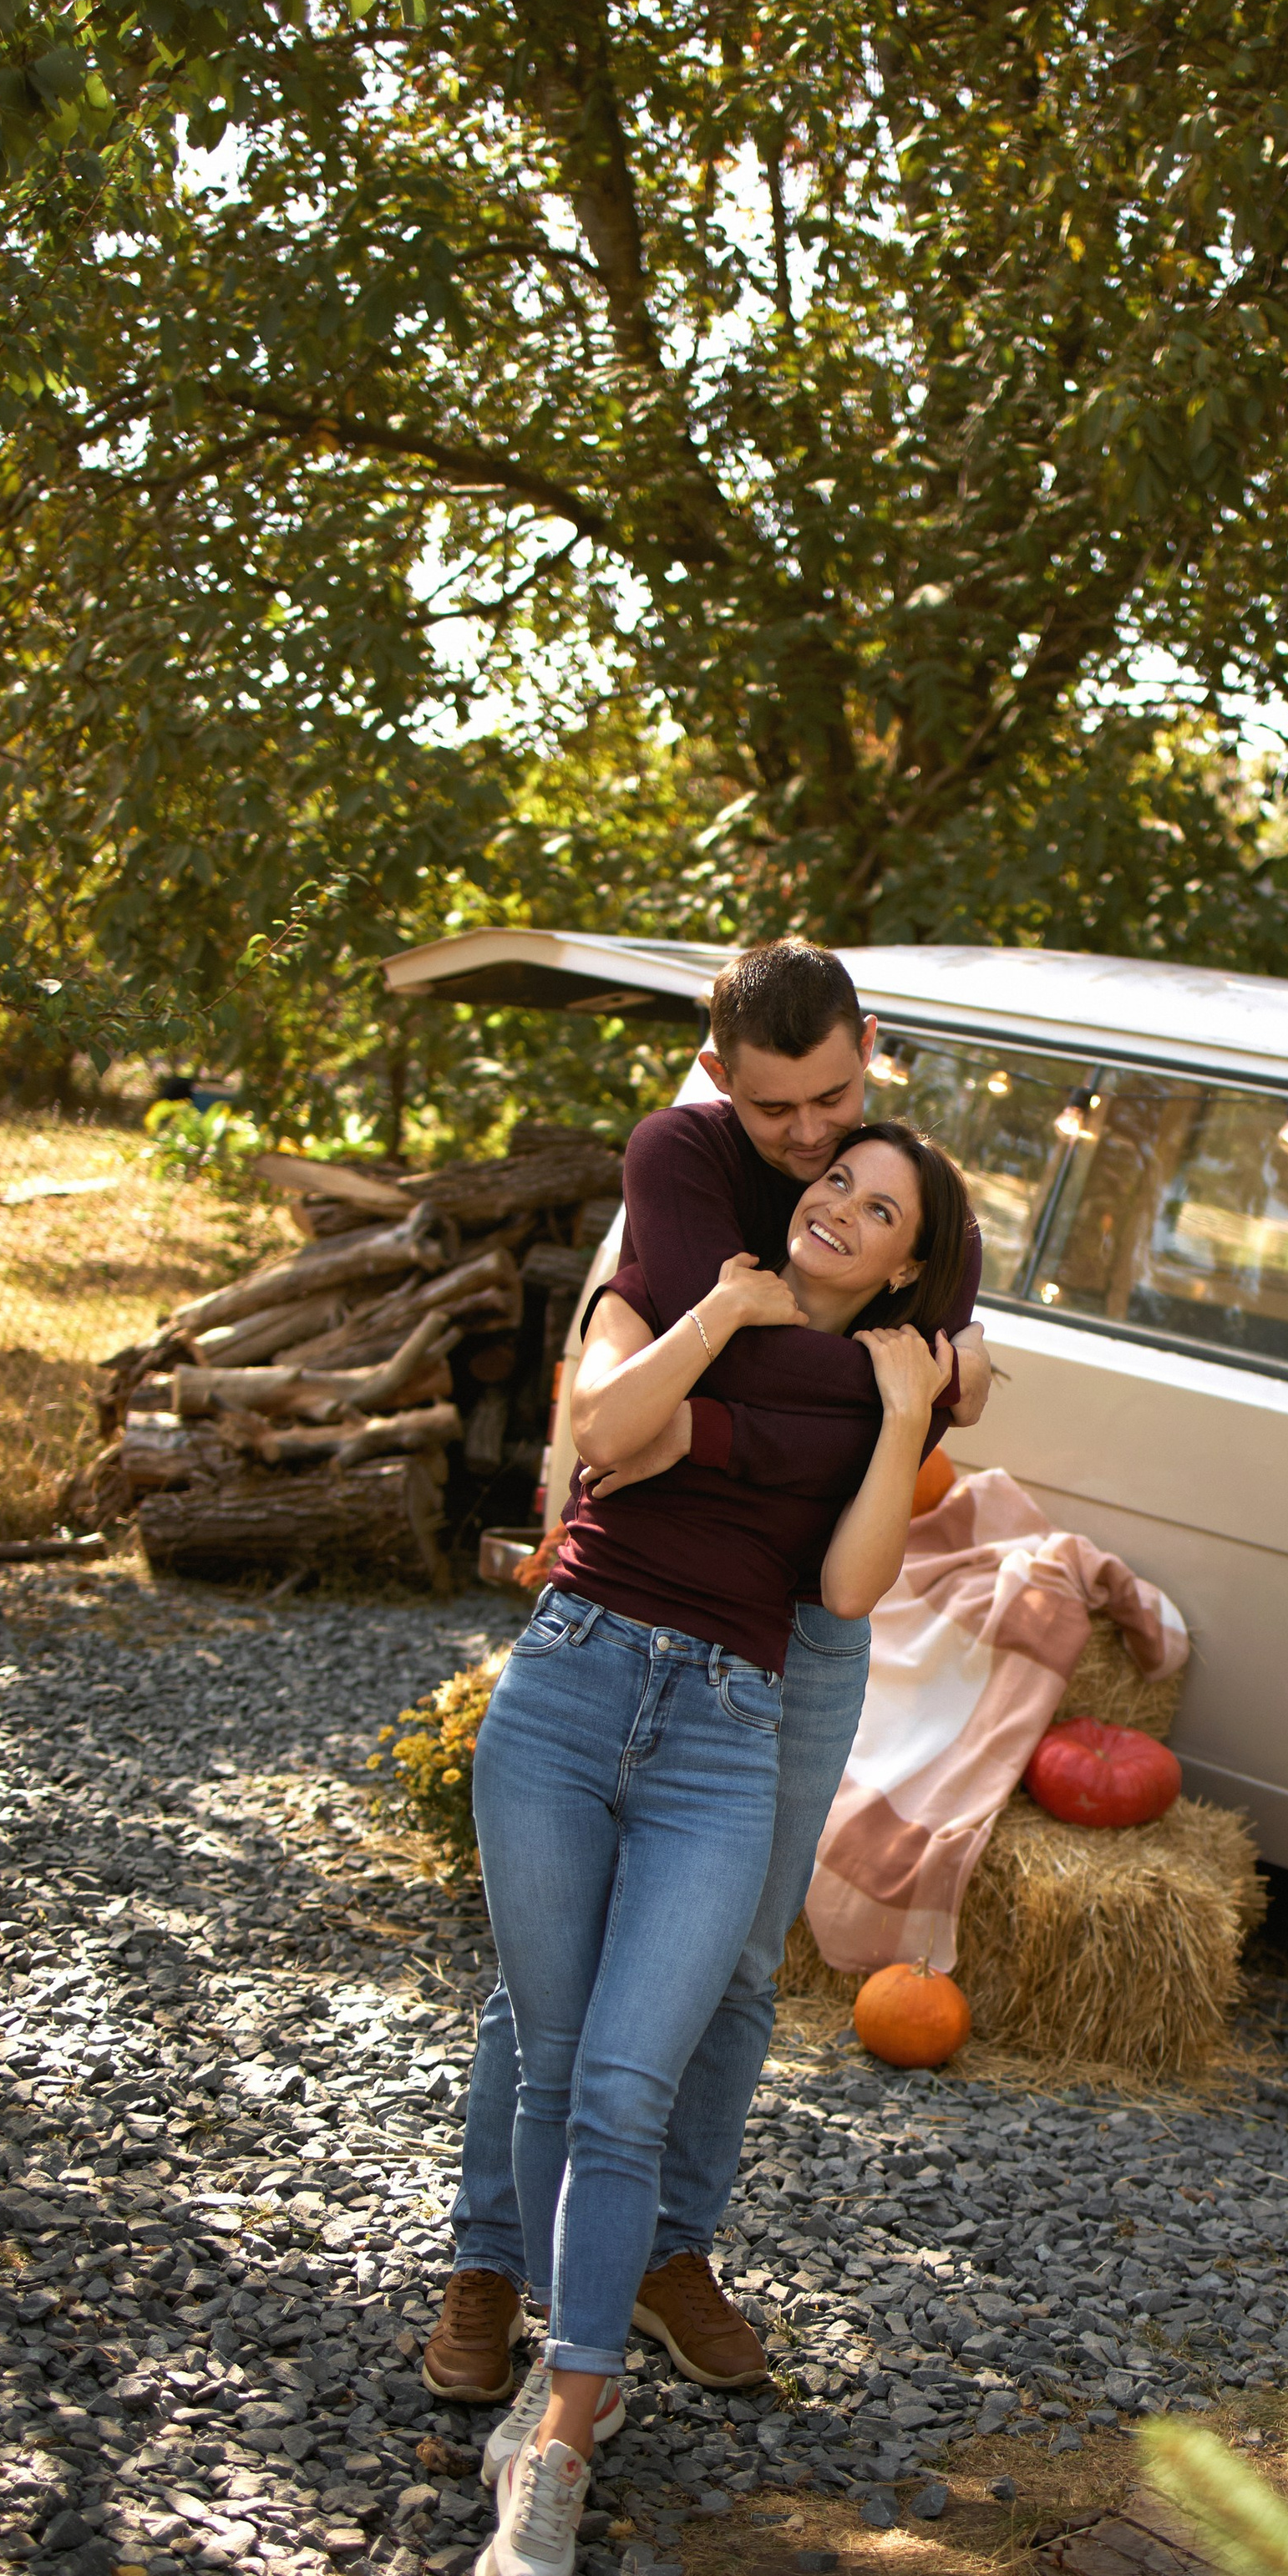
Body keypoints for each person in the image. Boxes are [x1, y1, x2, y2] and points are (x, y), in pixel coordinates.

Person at [423, 944, 988, 2411]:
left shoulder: (892, 1179)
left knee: (738, 1966)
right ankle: (494, 2254)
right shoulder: (680, 1156)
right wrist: (903, 1383)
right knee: (551, 1985)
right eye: (776, 1108)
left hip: (800, 1631)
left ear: (872, 1047)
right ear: (718, 1070)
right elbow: (657, 1414)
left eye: (834, 1100)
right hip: (649, 1589)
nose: (807, 1138)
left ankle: (668, 2248)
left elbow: (901, 1380)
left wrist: (928, 1376)